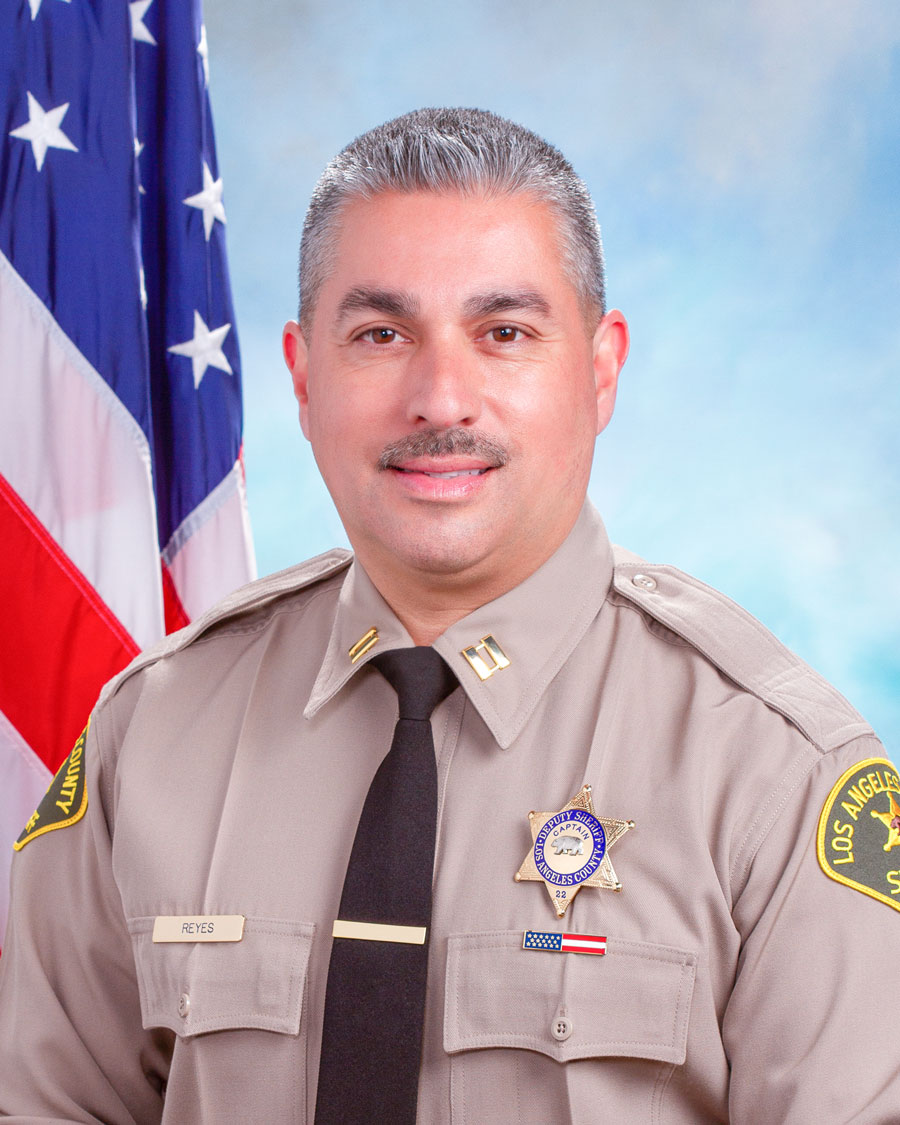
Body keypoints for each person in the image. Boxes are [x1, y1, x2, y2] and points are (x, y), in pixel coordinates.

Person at [0, 107, 897, 1123]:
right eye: (381, 335)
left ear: (600, 371)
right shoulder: (152, 733)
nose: (439, 398)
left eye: (503, 333)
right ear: (302, 374)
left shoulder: (776, 773)